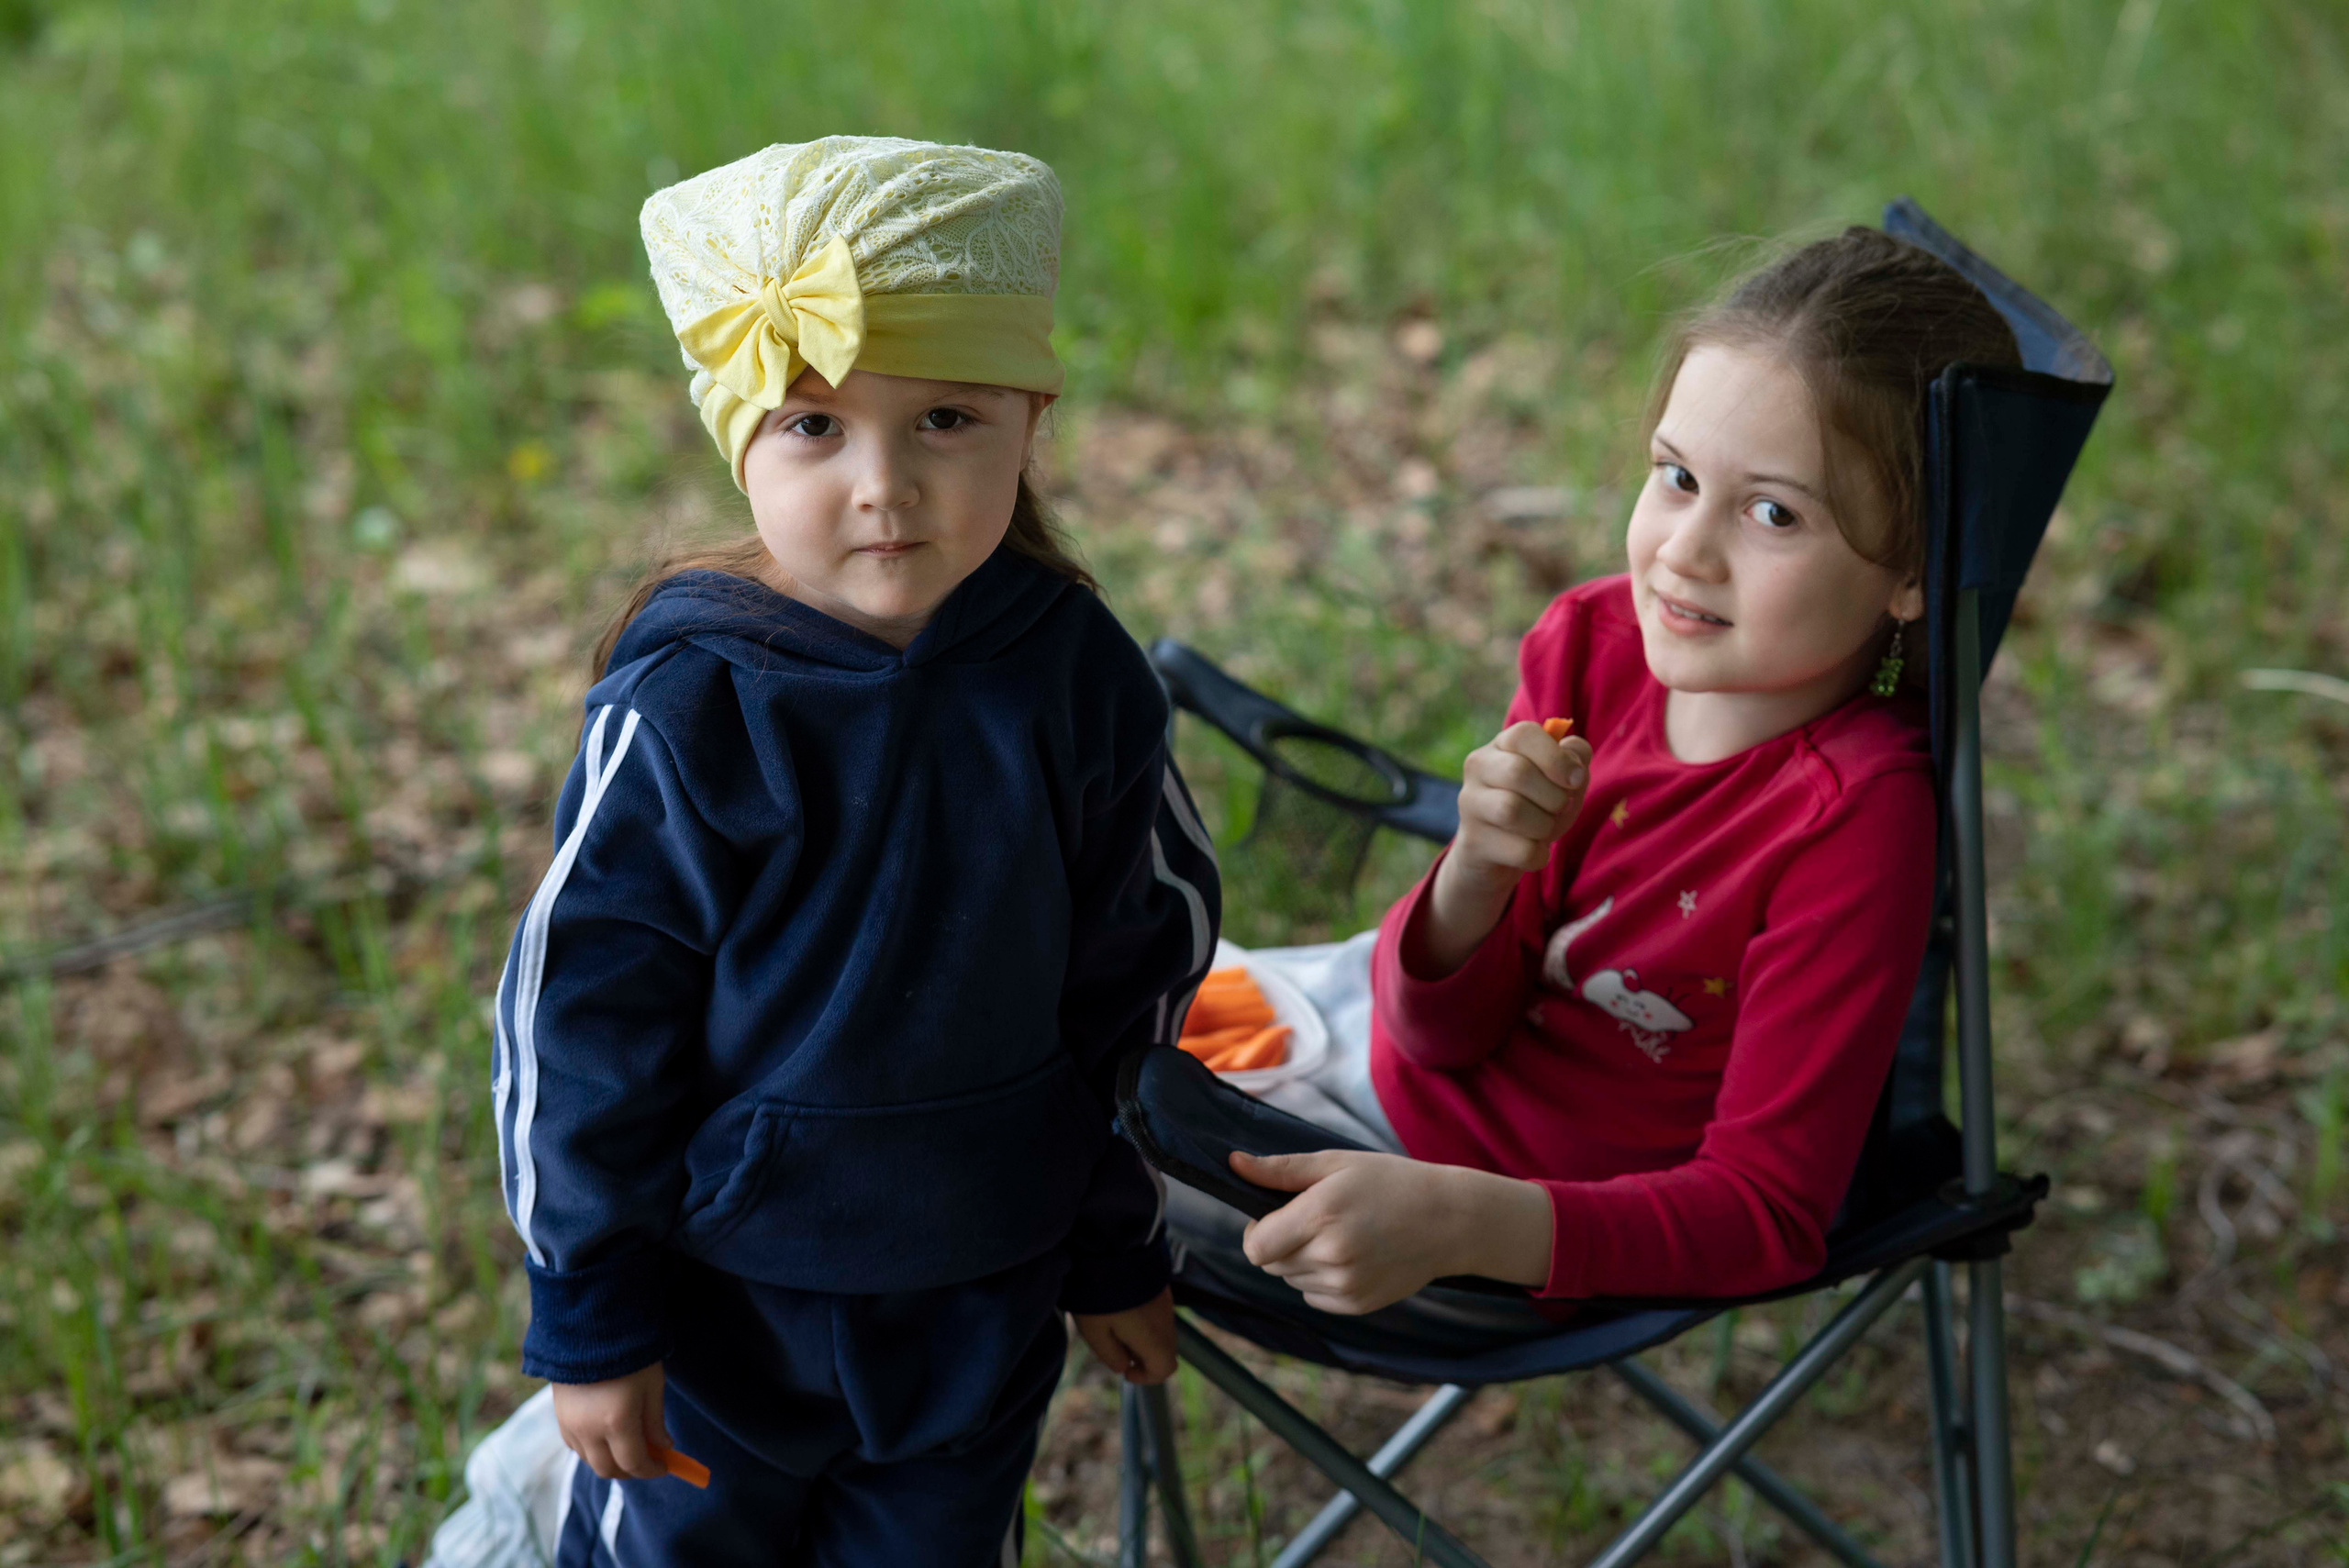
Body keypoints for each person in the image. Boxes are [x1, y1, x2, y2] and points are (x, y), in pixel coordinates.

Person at [485, 137, 1218, 1566]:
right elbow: (577, 1024)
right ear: (740, 438)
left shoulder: (1076, 678)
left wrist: (1115, 1239)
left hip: (980, 1283)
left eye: (945, 419)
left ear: (1028, 418)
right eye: (815, 427)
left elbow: (1139, 976)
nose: (884, 486)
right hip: (724, 1297)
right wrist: (592, 1310)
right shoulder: (695, 707)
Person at [1186, 227, 2021, 1318]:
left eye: (1772, 511)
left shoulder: (1853, 822)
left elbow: (1766, 1214)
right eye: (1675, 476)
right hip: (1377, 1039)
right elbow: (1439, 1028)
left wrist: (1457, 1222)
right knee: (1032, 1018)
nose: (1684, 550)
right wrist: (1476, 873)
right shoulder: (1593, 643)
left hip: (1482, 1209)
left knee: (1030, 1136)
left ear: (1911, 568)